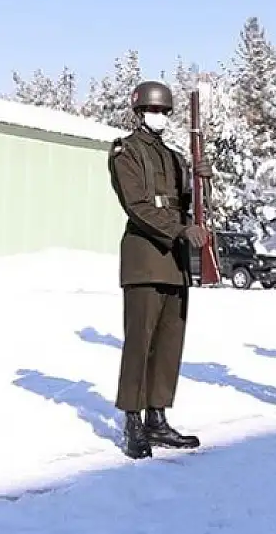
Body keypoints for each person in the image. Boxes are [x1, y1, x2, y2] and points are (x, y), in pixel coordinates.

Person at [107, 80, 213, 460]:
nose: (160, 116)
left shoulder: (174, 157)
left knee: (169, 343)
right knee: (140, 342)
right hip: (144, 257)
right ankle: (133, 419)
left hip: (174, 261)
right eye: (155, 110)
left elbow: (191, 205)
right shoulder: (125, 151)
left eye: (166, 111)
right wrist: (179, 229)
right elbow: (136, 204)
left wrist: (202, 181)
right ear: (139, 112)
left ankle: (158, 415)